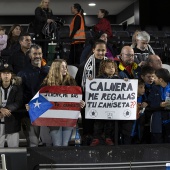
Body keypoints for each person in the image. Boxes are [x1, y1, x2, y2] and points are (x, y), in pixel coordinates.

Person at [41, 59, 85, 146]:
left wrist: (81, 103)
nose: (65, 69)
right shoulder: (47, 83)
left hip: (68, 117)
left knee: (65, 144)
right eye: (62, 67)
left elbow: (76, 98)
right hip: (54, 118)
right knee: (57, 144)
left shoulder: (71, 81)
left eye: (66, 67)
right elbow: (41, 99)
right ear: (56, 68)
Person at [75, 39, 108, 145]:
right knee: (88, 128)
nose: (101, 53)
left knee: (103, 127)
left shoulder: (111, 65)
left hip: (105, 102)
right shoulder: (83, 66)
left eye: (103, 50)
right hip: (88, 102)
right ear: (93, 50)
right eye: (98, 50)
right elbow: (78, 85)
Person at [18, 44, 49, 147]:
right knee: (33, 143)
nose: (37, 56)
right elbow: (19, 94)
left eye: (39, 53)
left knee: (48, 142)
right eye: (34, 53)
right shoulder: (22, 73)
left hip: (47, 111)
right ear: (30, 56)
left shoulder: (49, 71)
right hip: (30, 113)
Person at [90, 59, 119, 146]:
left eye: (113, 67)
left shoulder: (118, 79)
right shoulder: (98, 79)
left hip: (111, 107)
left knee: (109, 124)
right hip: (100, 107)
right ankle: (96, 138)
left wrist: (125, 81)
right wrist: (91, 81)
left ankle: (108, 137)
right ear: (103, 69)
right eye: (109, 67)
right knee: (98, 123)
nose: (111, 69)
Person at [116, 46, 141, 144]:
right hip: (119, 106)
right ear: (121, 55)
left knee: (132, 132)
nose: (130, 57)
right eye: (128, 55)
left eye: (132, 55)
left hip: (135, 106)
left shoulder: (137, 68)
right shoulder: (115, 68)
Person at [0, 63, 23, 147]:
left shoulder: (17, 87)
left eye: (8, 73)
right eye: (3, 73)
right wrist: (1, 109)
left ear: (11, 75)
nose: (6, 75)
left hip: (12, 121)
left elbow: (18, 102)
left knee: (14, 149)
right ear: (0, 75)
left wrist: (6, 109)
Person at [148, 68, 170, 143]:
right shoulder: (154, 88)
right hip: (158, 120)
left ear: (160, 79)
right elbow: (150, 103)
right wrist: (160, 104)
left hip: (168, 120)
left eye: (154, 77)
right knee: (157, 143)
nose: (153, 79)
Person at [140, 65, 155, 144]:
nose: (151, 78)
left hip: (152, 116)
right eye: (148, 76)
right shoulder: (138, 86)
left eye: (153, 76)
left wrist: (148, 102)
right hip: (142, 117)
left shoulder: (156, 86)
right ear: (142, 76)